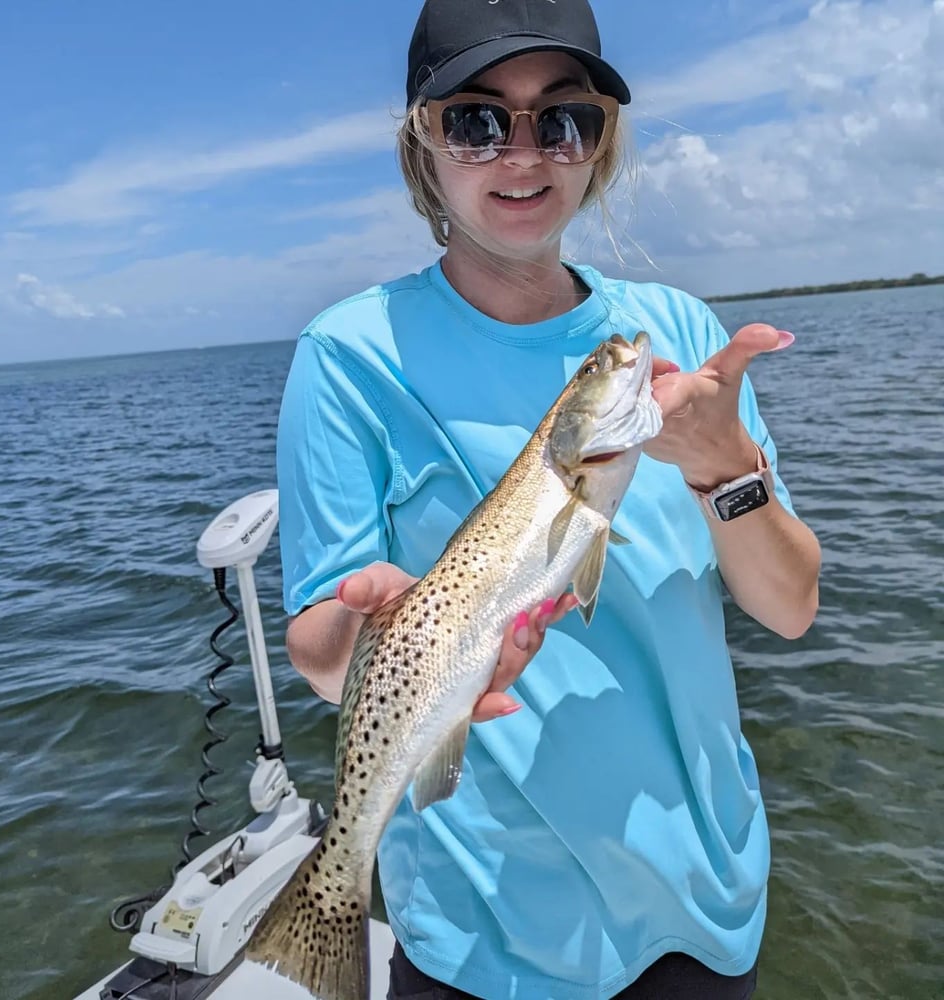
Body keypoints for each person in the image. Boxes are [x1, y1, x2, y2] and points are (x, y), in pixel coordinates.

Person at [274, 0, 821, 996]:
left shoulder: (674, 330)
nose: (523, 155)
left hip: (704, 901)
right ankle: (329, 890)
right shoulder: (349, 355)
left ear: (599, 144)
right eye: (477, 119)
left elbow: (789, 608)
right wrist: (374, 632)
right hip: (489, 931)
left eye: (563, 119)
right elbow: (316, 654)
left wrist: (722, 465)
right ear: (422, 142)